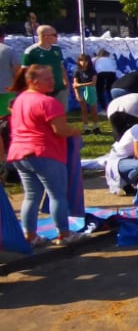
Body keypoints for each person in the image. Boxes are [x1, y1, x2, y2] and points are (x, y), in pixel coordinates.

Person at [7, 65, 83, 246]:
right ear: (33, 81)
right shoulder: (48, 102)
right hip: (44, 153)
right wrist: (75, 131)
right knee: (57, 195)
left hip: (19, 154)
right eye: (47, 79)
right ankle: (64, 234)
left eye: (52, 77)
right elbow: (60, 130)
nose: (52, 81)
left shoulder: (19, 100)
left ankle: (30, 236)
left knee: (31, 195)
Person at [22, 25, 69, 109]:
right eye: (54, 35)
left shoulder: (57, 49)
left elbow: (61, 67)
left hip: (59, 89)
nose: (57, 37)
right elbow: (25, 73)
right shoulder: (31, 52)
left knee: (61, 115)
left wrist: (66, 83)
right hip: (41, 92)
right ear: (45, 37)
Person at [72, 53, 101, 135]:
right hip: (81, 91)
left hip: (91, 90)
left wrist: (80, 85)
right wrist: (77, 93)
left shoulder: (92, 71)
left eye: (85, 60)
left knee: (94, 110)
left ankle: (96, 126)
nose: (83, 62)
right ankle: (86, 128)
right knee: (84, 110)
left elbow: (93, 83)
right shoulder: (77, 71)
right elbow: (75, 84)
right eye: (81, 60)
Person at [0, 30, 20, 116]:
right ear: (2, 37)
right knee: (5, 117)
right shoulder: (9, 50)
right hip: (6, 89)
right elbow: (17, 70)